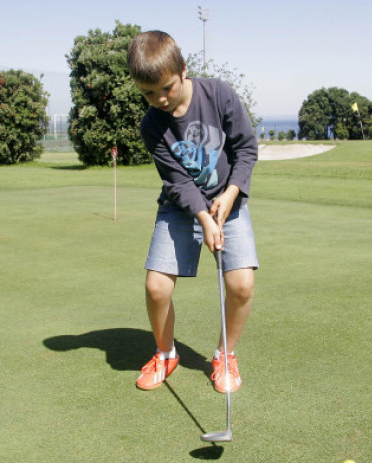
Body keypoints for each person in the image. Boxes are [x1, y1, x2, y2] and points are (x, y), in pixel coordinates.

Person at [127, 31, 258, 394]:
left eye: (166, 88)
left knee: (242, 284)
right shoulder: (152, 124)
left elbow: (246, 149)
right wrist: (202, 217)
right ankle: (166, 353)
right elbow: (177, 181)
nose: (160, 99)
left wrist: (230, 195)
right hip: (180, 208)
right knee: (156, 287)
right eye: (148, 94)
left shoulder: (219, 95)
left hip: (229, 203)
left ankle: (225, 354)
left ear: (184, 70)